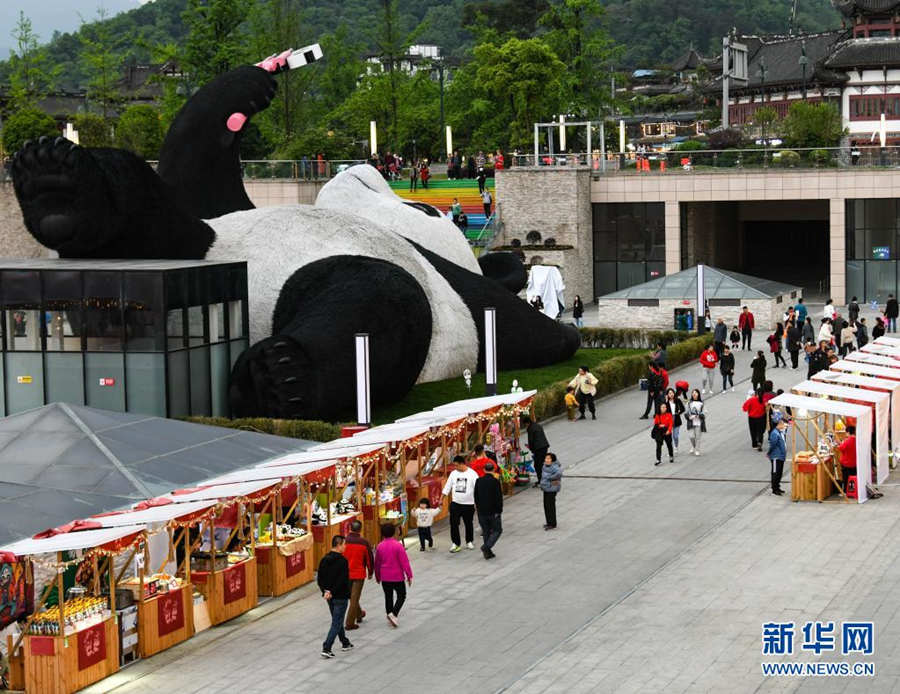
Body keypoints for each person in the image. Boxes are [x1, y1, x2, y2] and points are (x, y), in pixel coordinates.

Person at [317, 535, 354, 658]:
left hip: (329, 597)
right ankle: (327, 647)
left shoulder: (324, 560)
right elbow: (342, 580)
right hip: (340, 596)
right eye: (344, 544)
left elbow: (320, 578)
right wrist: (331, 591)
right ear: (338, 545)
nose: (345, 547)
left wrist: (325, 591)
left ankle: (345, 642)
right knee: (337, 622)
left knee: (337, 619)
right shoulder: (342, 561)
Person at [373, 524, 412, 627]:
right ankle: (393, 614)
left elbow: (377, 563)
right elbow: (405, 562)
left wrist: (377, 576)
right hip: (397, 576)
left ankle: (389, 613)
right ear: (394, 532)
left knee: (388, 596)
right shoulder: (398, 545)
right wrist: (409, 575)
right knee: (401, 595)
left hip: (385, 577)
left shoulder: (380, 546)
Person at [441, 455, 479, 552]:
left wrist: (478, 503)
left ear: (462, 464)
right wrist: (442, 498)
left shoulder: (472, 474)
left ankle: (469, 541)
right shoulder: (453, 474)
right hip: (455, 503)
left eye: (457, 465)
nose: (455, 467)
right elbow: (447, 486)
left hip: (468, 504)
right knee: (453, 524)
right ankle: (455, 543)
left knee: (468, 523)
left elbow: (477, 489)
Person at [343, 520, 374, 631]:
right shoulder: (364, 542)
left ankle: (359, 613)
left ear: (350, 528)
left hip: (345, 574)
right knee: (354, 598)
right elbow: (369, 559)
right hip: (358, 574)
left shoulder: (344, 541)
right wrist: (370, 572)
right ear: (360, 529)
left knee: (352, 597)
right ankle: (349, 623)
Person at [474, 461, 503, 559]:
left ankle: (488, 553)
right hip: (493, 511)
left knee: (486, 531)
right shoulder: (495, 482)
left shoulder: (479, 481)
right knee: (497, 530)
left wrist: (477, 508)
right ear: (494, 470)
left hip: (481, 511)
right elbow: (499, 497)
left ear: (484, 470)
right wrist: (499, 511)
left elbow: (476, 496)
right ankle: (486, 547)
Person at [523, 415, 549, 487]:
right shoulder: (537, 425)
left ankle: (541, 480)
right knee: (542, 464)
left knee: (537, 465)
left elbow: (531, 440)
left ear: (527, 423)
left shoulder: (530, 428)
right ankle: (544, 479)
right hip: (544, 446)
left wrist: (531, 448)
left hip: (538, 448)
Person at [539, 452, 562, 529]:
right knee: (546, 505)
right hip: (545, 488)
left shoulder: (554, 466)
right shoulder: (545, 466)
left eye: (549, 458)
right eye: (546, 458)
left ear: (552, 460)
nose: (547, 460)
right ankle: (549, 522)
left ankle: (552, 523)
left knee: (550, 506)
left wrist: (550, 477)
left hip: (551, 489)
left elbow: (559, 473)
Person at [767, 416, 787, 496]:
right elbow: (773, 444)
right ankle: (774, 489)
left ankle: (778, 486)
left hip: (781, 456)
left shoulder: (780, 432)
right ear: (780, 424)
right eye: (784, 425)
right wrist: (769, 453)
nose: (785, 427)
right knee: (775, 472)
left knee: (779, 472)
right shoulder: (775, 433)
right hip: (776, 456)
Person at [837, 424, 857, 493]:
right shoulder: (856, 440)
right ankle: (853, 489)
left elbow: (841, 448)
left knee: (846, 478)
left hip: (846, 463)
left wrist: (840, 443)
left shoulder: (848, 441)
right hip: (854, 463)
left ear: (848, 432)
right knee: (853, 477)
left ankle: (845, 491)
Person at [685, 389, 706, 456]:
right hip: (691, 422)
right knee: (691, 436)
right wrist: (689, 417)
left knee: (698, 437)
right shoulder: (689, 403)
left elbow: (705, 413)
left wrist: (699, 415)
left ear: (698, 394)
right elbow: (686, 412)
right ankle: (694, 446)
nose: (694, 394)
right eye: (693, 393)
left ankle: (697, 450)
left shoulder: (701, 403)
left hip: (699, 422)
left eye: (696, 393)